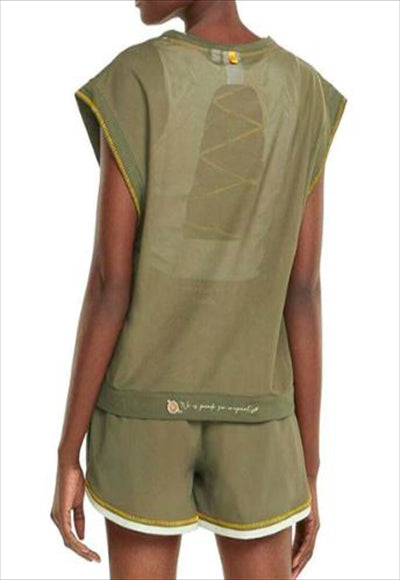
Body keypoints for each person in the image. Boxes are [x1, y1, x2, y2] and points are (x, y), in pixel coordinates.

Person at [50, 1, 347, 578]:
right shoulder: (304, 92)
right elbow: (303, 292)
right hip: (259, 417)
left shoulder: (134, 80)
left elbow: (111, 285)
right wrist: (307, 468)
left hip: (142, 412)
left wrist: (68, 453)